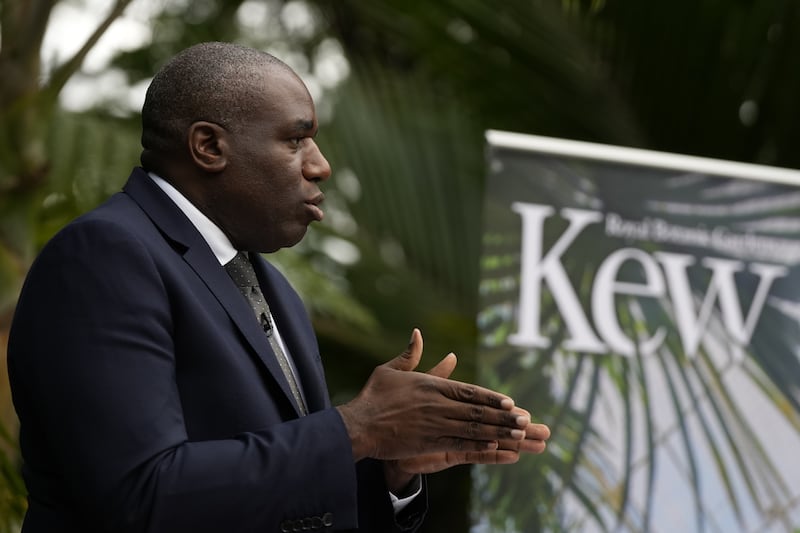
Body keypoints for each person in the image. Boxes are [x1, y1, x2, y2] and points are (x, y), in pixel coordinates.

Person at [7, 42, 550, 533]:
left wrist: (390, 468)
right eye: (296, 139)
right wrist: (355, 429)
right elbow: (140, 497)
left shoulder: (273, 287)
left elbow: (290, 503)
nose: (322, 166)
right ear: (208, 146)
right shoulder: (106, 256)